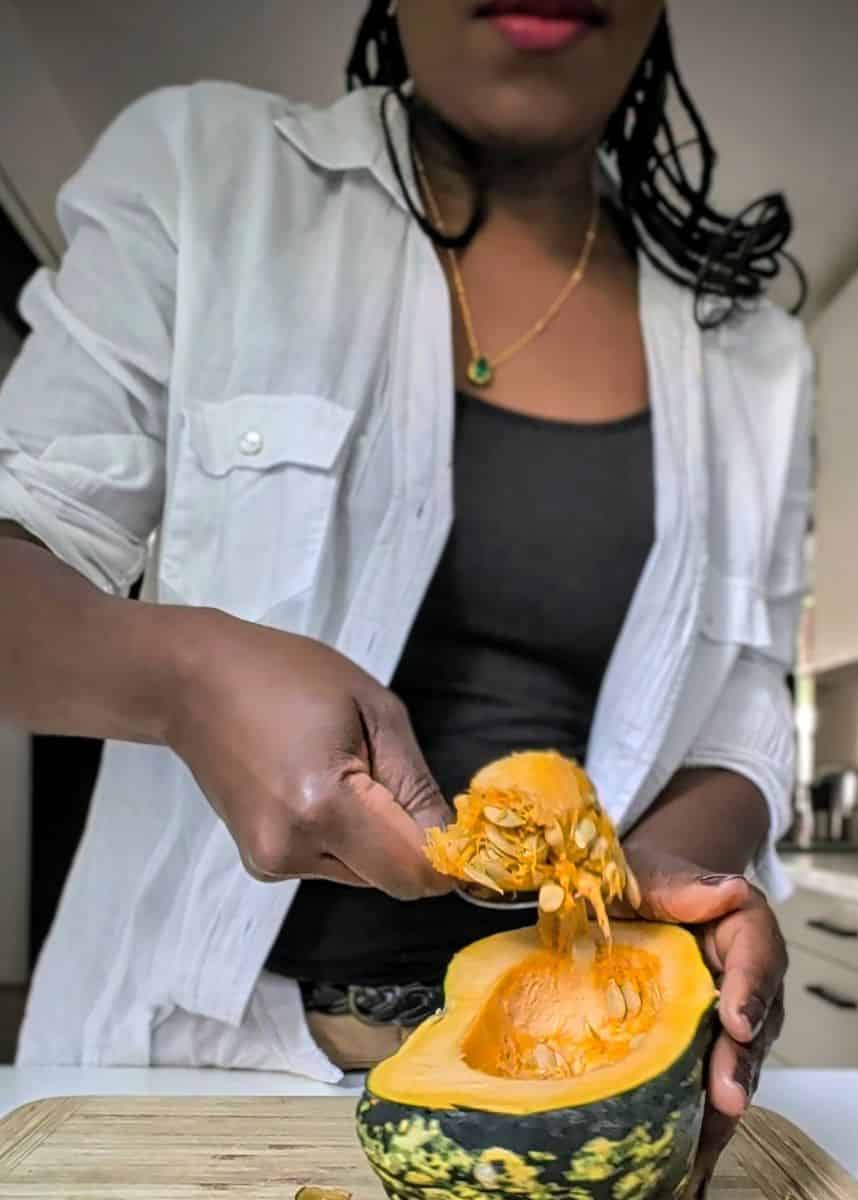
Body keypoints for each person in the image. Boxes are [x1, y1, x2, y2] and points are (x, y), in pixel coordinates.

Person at [0, 1, 811, 1192]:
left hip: (581, 1080)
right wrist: (182, 676)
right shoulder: (204, 170)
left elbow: (747, 704)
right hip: (180, 1080)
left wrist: (666, 883)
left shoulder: (761, 357)